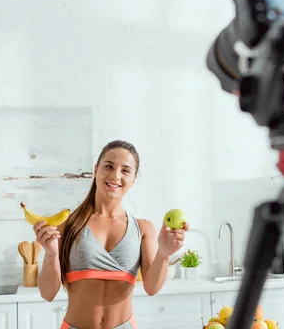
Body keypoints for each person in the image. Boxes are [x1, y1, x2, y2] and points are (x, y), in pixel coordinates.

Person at [33, 140, 189, 329]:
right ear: (96, 170)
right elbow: (47, 293)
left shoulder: (143, 228)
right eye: (109, 166)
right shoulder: (68, 225)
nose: (115, 175)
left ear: (133, 181)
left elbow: (152, 288)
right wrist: (51, 254)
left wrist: (164, 253)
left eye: (125, 170)